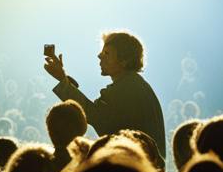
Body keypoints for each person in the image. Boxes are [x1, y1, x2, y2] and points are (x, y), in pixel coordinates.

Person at [43, 30, 166, 162]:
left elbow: (93, 114)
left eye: (107, 53)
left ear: (124, 61)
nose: (99, 56)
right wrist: (64, 80)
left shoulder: (124, 89)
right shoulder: (135, 85)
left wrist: (63, 81)